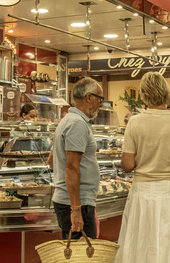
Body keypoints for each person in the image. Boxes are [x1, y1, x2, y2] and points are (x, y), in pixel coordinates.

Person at [115, 72, 170, 262]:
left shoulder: (134, 122)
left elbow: (127, 165)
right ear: (166, 93)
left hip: (141, 191)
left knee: (140, 241)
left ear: (144, 94)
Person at [51, 77, 106, 239]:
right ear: (89, 98)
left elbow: (52, 161)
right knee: (81, 255)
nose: (101, 104)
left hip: (72, 200)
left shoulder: (69, 120)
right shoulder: (77, 124)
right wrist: (75, 209)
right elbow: (72, 167)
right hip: (75, 203)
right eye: (100, 99)